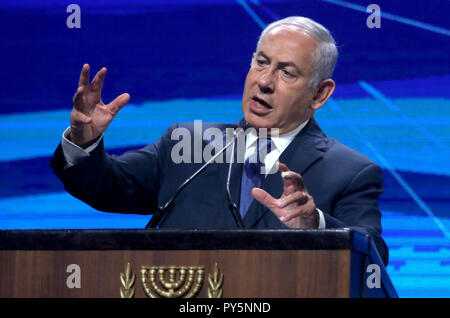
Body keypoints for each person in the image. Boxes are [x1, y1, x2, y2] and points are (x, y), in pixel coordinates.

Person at [50, 16, 389, 264]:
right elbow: (106, 186)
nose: (265, 82)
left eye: (287, 73)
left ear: (320, 94)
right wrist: (85, 140)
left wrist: (315, 225)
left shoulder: (350, 171)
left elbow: (372, 258)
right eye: (261, 63)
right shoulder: (188, 142)